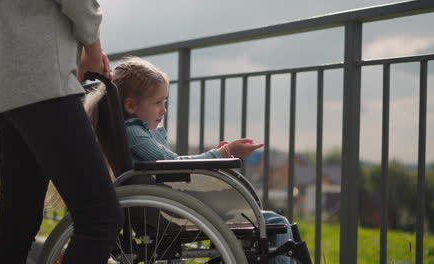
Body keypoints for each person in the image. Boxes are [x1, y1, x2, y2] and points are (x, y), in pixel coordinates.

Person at [85, 56, 296, 264]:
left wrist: (219, 153)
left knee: (269, 221)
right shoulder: (133, 132)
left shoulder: (131, 132)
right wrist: (224, 152)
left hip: (168, 209)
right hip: (171, 213)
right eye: (158, 102)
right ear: (130, 106)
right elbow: (171, 163)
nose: (164, 110)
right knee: (277, 222)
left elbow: (170, 163)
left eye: (164, 102)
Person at [0, 1, 123, 263]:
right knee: (100, 218)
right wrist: (92, 53)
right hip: (43, 80)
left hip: (4, 83)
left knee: (16, 225)